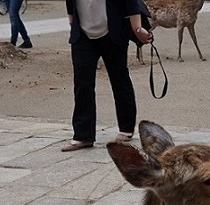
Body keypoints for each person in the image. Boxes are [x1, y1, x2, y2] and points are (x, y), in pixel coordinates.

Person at [62, 0, 152, 151]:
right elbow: (70, 5)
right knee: (82, 83)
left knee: (119, 78)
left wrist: (137, 29)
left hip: (113, 32)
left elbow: (131, 3)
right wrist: (73, 25)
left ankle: (126, 127)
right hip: (83, 35)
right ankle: (83, 135)